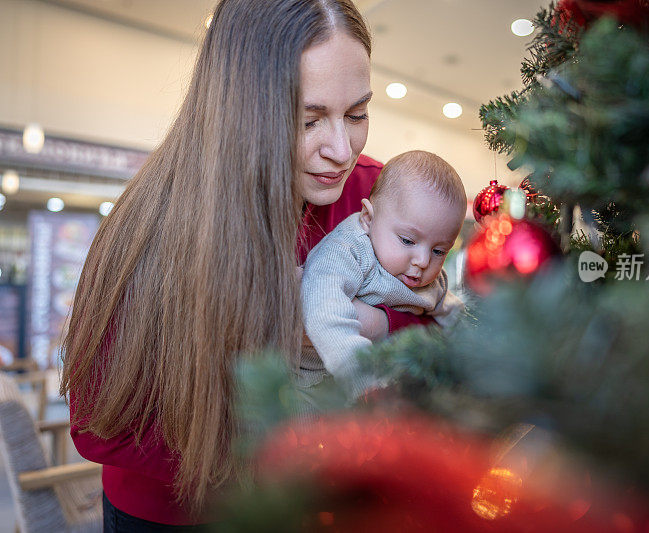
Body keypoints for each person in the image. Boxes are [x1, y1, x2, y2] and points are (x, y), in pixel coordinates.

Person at [60, 0, 430, 528]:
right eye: (309, 119)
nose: (342, 150)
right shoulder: (151, 225)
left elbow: (439, 320)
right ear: (242, 112)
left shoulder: (378, 199)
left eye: (357, 114)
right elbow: (97, 423)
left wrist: (367, 323)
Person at [300, 150, 466, 399]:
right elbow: (324, 311)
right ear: (368, 218)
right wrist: (365, 380)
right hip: (316, 381)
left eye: (439, 250)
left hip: (392, 383)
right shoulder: (347, 250)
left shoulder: (432, 279)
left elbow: (455, 319)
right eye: (408, 241)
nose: (423, 261)